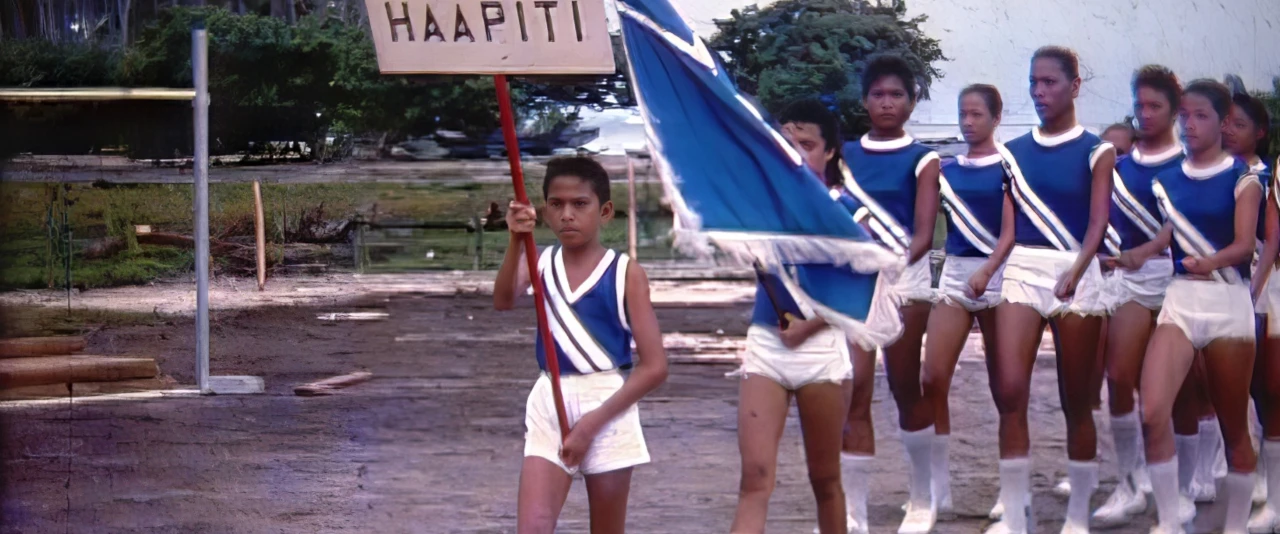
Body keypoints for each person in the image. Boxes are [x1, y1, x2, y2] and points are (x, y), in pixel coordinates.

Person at [492, 156, 670, 534]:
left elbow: (655, 366)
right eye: (556, 205)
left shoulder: (626, 273)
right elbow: (504, 299)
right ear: (543, 211)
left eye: (580, 204)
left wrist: (590, 426)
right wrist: (515, 239)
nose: (567, 215)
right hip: (549, 399)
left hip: (608, 404)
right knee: (534, 527)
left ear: (605, 212)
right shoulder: (539, 263)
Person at [987, 46, 1115, 534]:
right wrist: (990, 269)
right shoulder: (1012, 153)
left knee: (1077, 399)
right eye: (1033, 83)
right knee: (1009, 389)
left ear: (1075, 85)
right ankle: (1016, 514)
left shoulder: (1096, 149)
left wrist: (1078, 271)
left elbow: (1099, 222)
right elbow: (1009, 228)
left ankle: (1077, 516)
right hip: (1023, 269)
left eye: (1050, 83)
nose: (1040, 92)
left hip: (1075, 273)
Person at [1134, 78, 1262, 534]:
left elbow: (1246, 245)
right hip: (1181, 300)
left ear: (1224, 122)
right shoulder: (1164, 181)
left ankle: (1234, 527)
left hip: (1228, 303)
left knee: (1233, 429)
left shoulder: (1243, 180)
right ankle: (1170, 520)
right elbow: (1173, 234)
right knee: (1152, 412)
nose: (1188, 124)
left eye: (1200, 115)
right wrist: (1140, 253)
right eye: (1183, 115)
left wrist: (1208, 261)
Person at [729, 98, 856, 534]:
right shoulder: (761, 205)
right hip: (766, 345)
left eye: (806, 144)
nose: (794, 152)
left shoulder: (849, 211)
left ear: (830, 152)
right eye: (786, 142)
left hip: (822, 353)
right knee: (755, 479)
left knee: (825, 480)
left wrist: (810, 327)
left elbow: (868, 287)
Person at [833, 53, 942, 534]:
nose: (887, 102)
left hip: (905, 278)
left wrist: (892, 261)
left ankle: (922, 499)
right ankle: (854, 511)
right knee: (854, 388)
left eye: (897, 94)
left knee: (904, 386)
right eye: (878, 94)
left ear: (912, 102)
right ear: (864, 100)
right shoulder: (845, 156)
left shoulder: (924, 158)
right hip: (855, 281)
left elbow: (924, 233)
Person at [1090, 65, 1186, 527]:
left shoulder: (1189, 161)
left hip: (1175, 279)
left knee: (1171, 391)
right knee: (1118, 376)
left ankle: (1176, 483)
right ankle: (1128, 483)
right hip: (1129, 282)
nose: (1145, 114)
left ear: (1174, 110)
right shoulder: (1119, 165)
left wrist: (1147, 250)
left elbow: (1186, 220)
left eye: (1155, 106)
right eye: (1140, 105)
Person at [918, 83, 1012, 519]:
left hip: (999, 276)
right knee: (932, 377)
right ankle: (939, 490)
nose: (968, 122)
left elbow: (1016, 231)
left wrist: (989, 271)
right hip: (955, 275)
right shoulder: (945, 170)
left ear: (996, 117)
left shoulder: (1010, 167)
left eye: (977, 114)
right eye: (963, 114)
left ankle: (1009, 491)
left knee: (1005, 388)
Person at [1222, 91, 1279, 532]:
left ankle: (1266, 480)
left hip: (1260, 283)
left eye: (1238, 123)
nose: (1227, 130)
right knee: (1242, 383)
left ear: (1260, 132)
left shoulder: (1262, 176)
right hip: (1231, 286)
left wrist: (1252, 289)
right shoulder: (1217, 173)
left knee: (1266, 387)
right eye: (1225, 122)